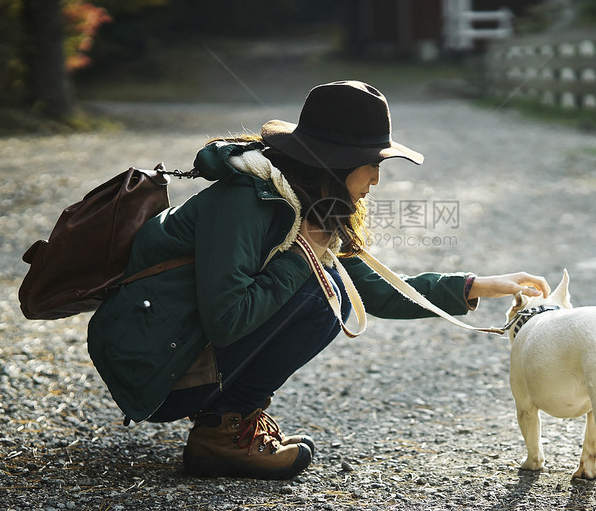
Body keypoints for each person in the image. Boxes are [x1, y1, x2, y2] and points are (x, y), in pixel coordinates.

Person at [87, 80, 549, 481]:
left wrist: (476, 286)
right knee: (321, 293)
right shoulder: (245, 203)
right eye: (374, 165)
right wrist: (303, 257)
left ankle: (227, 420)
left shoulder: (306, 200)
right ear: (340, 163)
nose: (377, 180)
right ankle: (221, 431)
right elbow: (228, 321)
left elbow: (373, 290)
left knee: (331, 286)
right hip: (148, 362)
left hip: (178, 345)